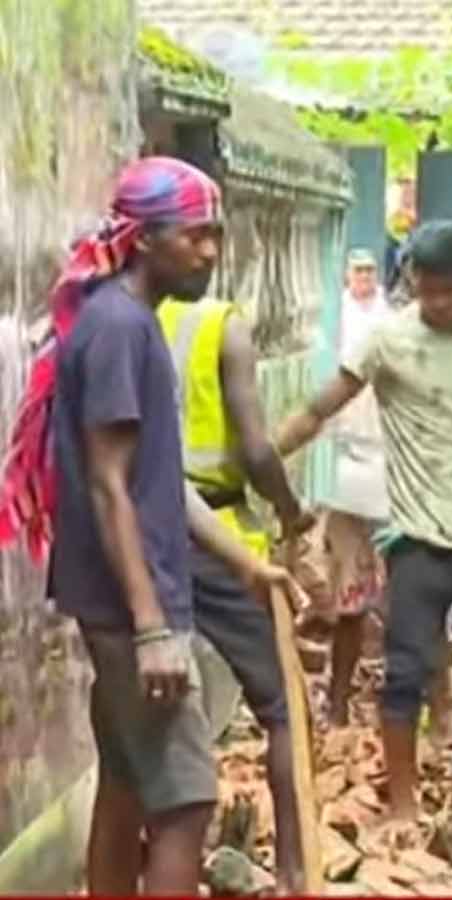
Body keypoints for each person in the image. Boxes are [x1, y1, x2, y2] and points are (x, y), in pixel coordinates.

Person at [0, 157, 300, 896]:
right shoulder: (118, 330)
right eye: (194, 236)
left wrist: (245, 563)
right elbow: (108, 487)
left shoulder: (125, 322)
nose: (210, 251)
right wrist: (152, 629)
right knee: (188, 802)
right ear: (143, 239)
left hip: (128, 607)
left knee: (128, 788)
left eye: (214, 235)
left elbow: (157, 484)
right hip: (135, 613)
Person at [277, 220, 452, 840]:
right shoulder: (386, 343)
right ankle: (403, 801)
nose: (443, 304)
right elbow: (322, 408)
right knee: (405, 669)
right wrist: (268, 461)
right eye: (430, 291)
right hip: (417, 537)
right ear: (413, 283)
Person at [157, 277, 314, 890]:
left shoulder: (127, 312)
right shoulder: (223, 324)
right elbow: (254, 450)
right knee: (282, 705)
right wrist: (291, 508)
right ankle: (298, 869)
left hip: (148, 535)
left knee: (152, 718)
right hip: (217, 534)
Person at [313, 247, 392, 727]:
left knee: (410, 599)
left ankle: (421, 707)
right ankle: (338, 702)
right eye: (356, 270)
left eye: (369, 271)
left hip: (394, 474)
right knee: (350, 597)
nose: (363, 278)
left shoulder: (391, 325)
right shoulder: (332, 318)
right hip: (347, 472)